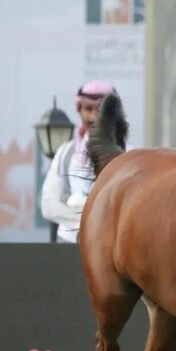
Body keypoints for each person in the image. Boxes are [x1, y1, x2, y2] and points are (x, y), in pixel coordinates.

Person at [40, 80, 115, 243]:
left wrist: (75, 205)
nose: (95, 116)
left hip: (110, 247)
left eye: (101, 110)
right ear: (80, 111)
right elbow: (49, 205)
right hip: (69, 243)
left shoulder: (128, 156)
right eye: (88, 109)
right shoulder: (65, 153)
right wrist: (87, 218)